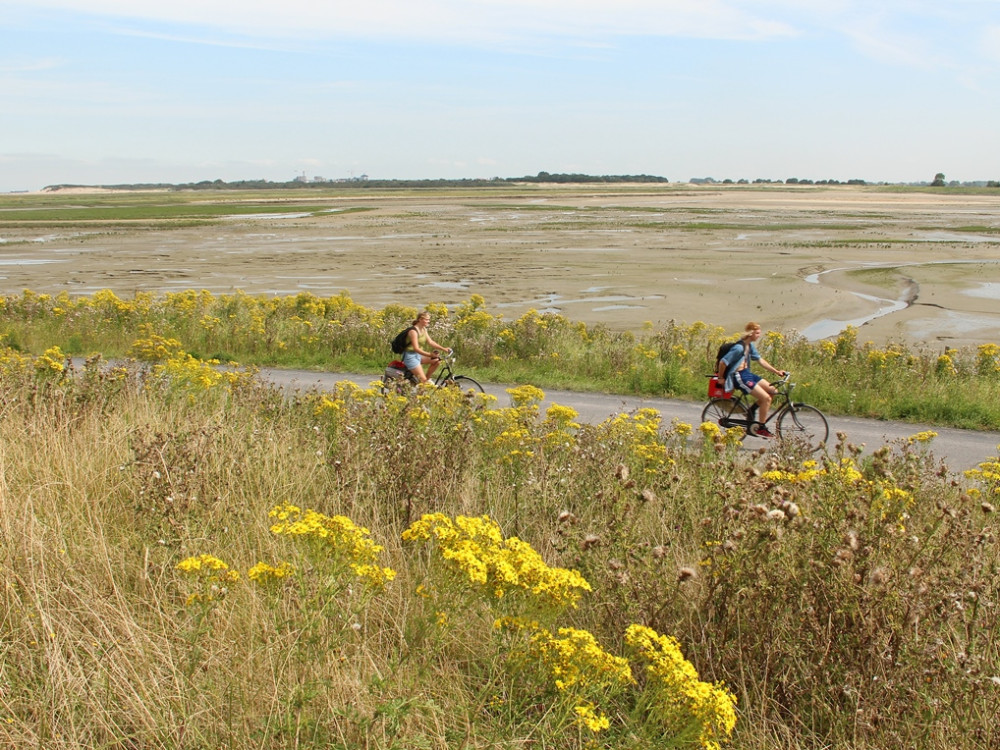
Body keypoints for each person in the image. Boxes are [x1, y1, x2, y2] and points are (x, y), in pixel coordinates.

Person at [716, 322, 786, 438]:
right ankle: (761, 428)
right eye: (757, 333)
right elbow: (723, 362)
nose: (759, 335)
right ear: (750, 333)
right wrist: (721, 378)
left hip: (747, 374)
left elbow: (761, 361)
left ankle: (751, 410)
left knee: (773, 391)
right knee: (766, 398)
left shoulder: (750, 346)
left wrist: (777, 371)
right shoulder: (739, 348)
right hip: (738, 377)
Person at [402, 311, 452, 383]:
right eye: (426, 319)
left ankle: (426, 380)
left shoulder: (424, 329)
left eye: (429, 319)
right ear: (420, 319)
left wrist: (444, 349)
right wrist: (430, 355)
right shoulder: (413, 331)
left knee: (437, 360)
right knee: (423, 381)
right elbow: (416, 348)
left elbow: (431, 342)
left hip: (418, 355)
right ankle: (423, 384)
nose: (428, 321)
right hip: (410, 357)